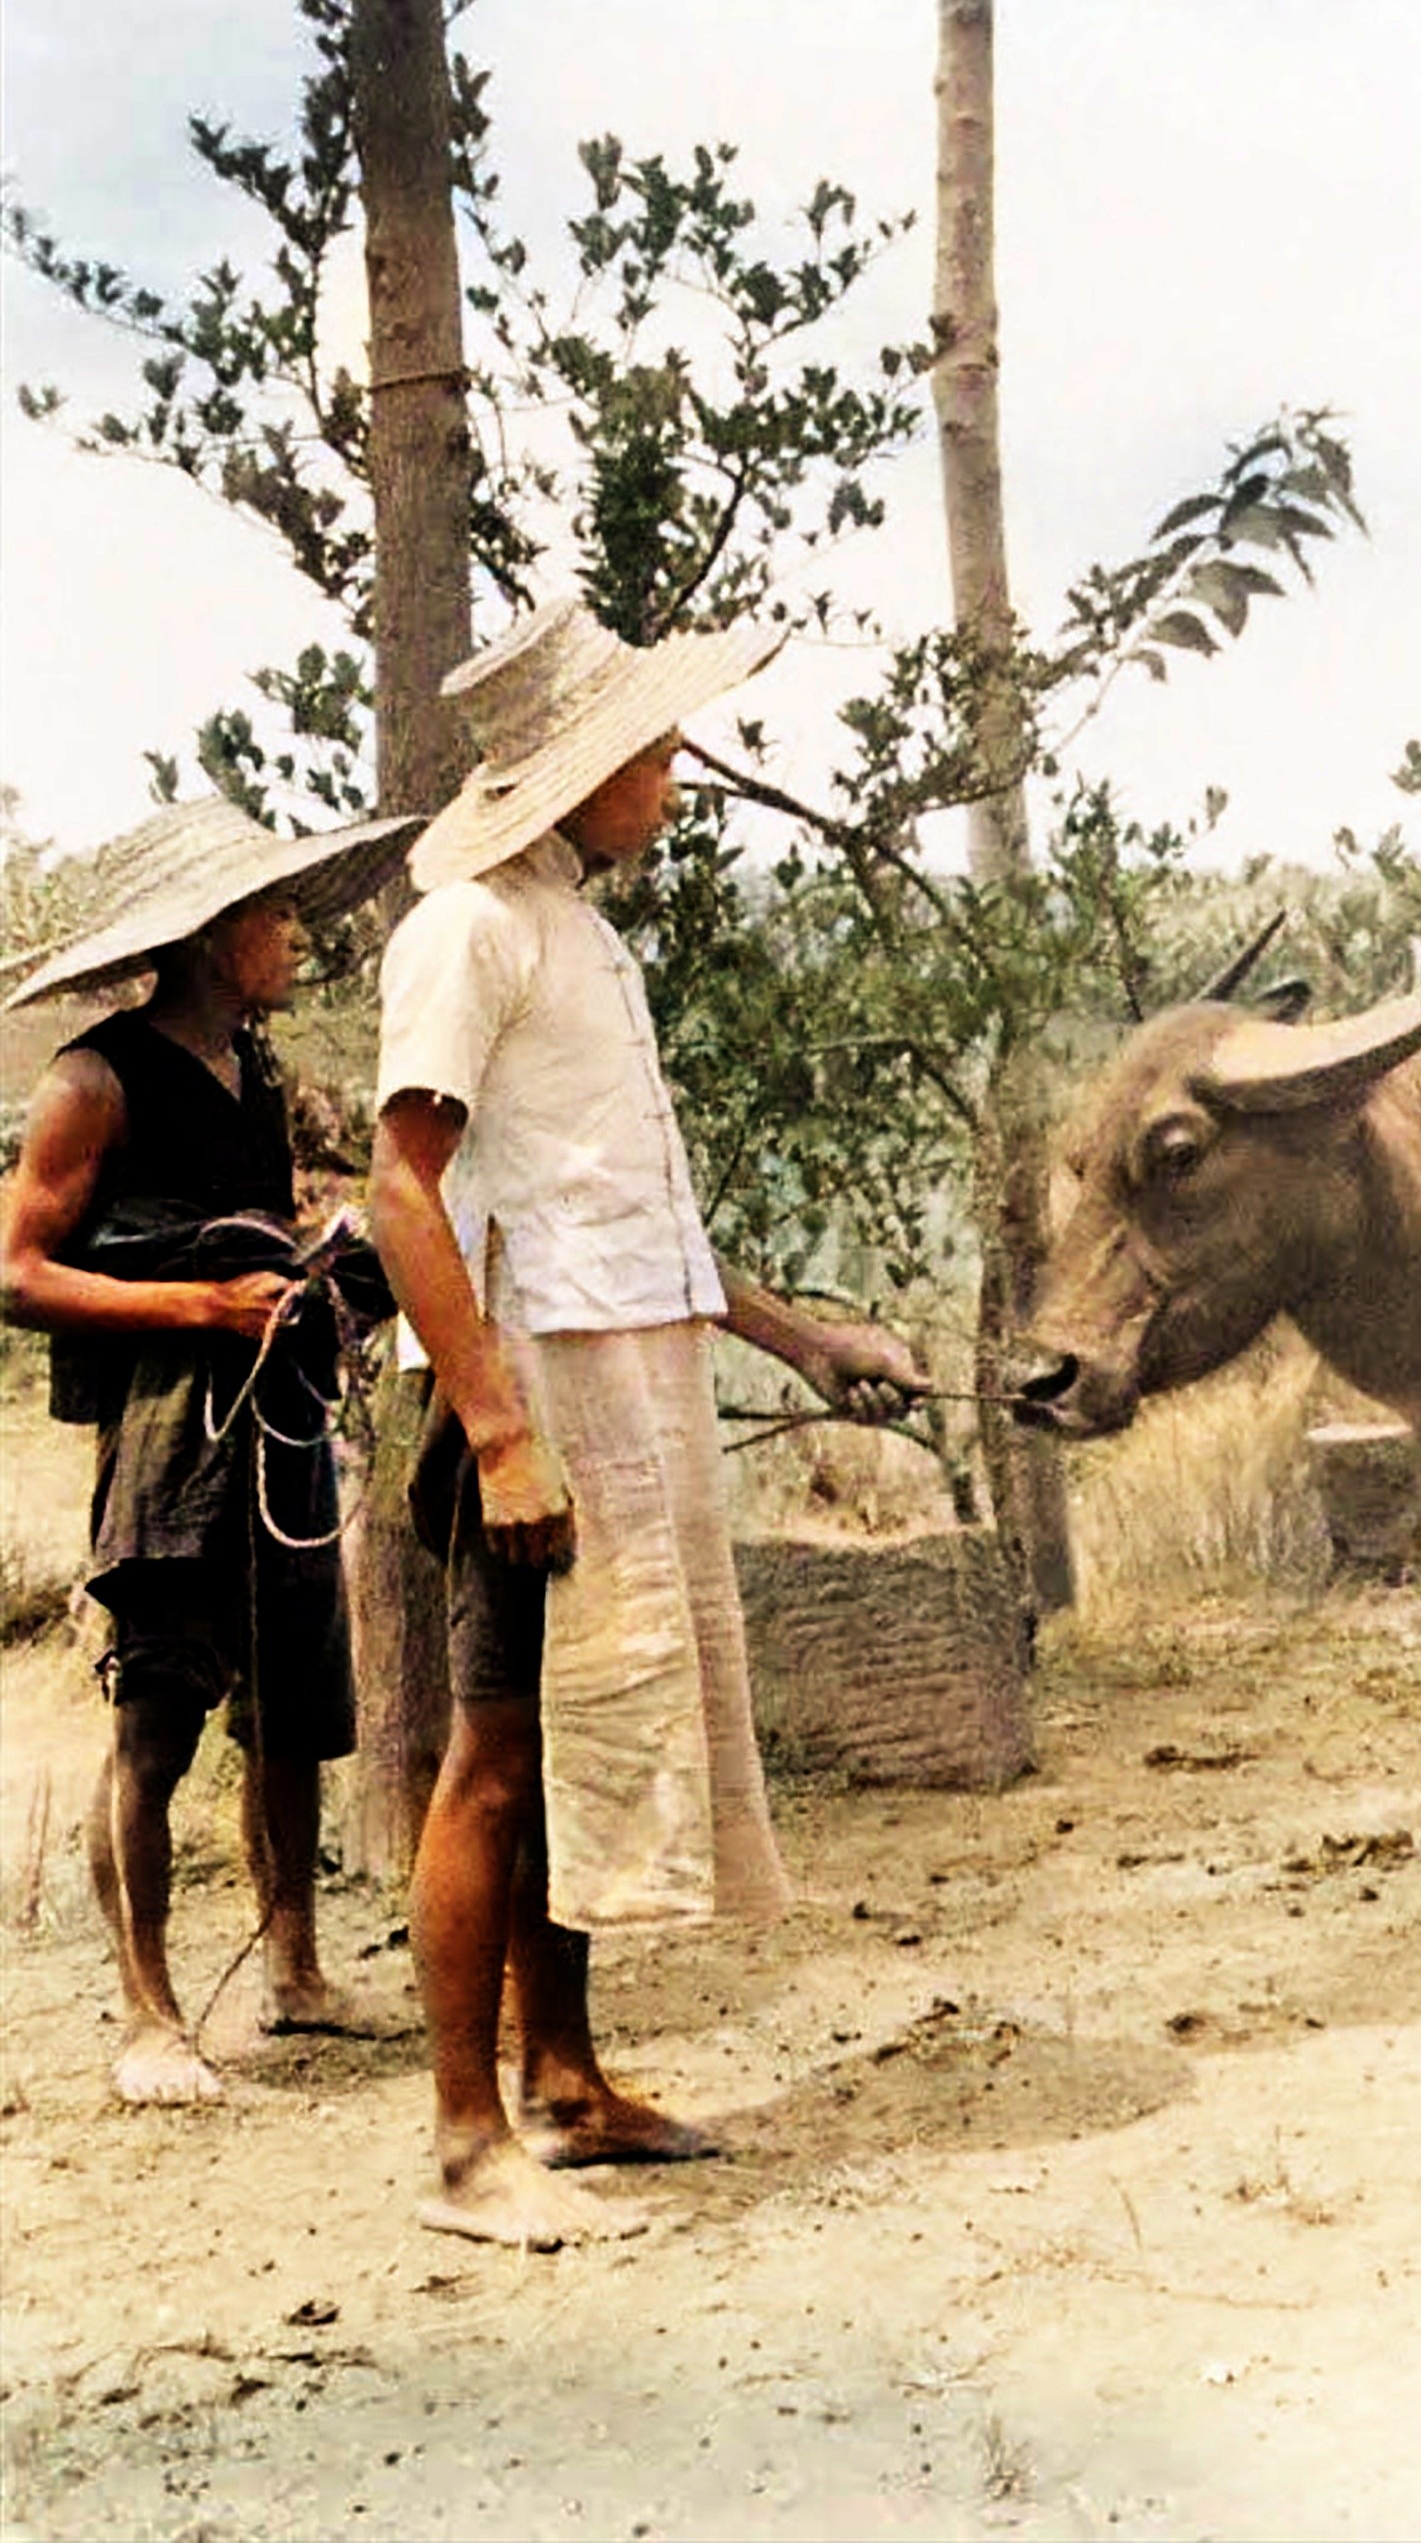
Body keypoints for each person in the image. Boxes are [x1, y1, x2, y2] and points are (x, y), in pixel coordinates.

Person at [368, 600, 926, 2248]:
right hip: (525, 1396)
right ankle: (468, 2146)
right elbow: (401, 1193)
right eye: (657, 750)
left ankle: (568, 2078)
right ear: (589, 769)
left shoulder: (582, 933)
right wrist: (496, 1432)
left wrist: (805, 1336)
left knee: (573, 1750)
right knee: (491, 1757)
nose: (675, 777)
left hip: (620, 1387)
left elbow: (634, 1224)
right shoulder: (468, 928)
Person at [2, 802, 423, 2104]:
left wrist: (323, 1287)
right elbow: (16, 1272)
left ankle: (292, 1966)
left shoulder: (261, 1074)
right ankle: (147, 2015)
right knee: (155, 1713)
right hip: (167, 1433)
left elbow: (261, 1235)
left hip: (277, 1420)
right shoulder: (93, 1078)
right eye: (275, 912)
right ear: (209, 934)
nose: (296, 933)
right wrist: (197, 1305)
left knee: (288, 1709)